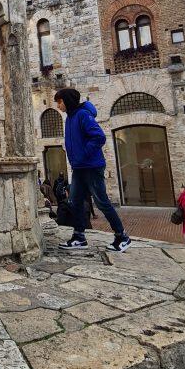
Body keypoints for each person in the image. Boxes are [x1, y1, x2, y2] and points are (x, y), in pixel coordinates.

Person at [54, 87, 131, 252]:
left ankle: (122, 236)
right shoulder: (69, 118)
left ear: (66, 101)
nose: (58, 106)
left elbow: (99, 137)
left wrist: (82, 154)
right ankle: (79, 237)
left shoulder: (83, 115)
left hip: (92, 166)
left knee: (102, 202)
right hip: (79, 168)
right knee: (74, 201)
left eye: (59, 102)